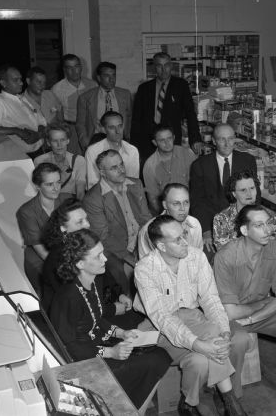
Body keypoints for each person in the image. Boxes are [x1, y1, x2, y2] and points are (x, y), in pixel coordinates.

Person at [134, 215, 248, 416]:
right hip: (159, 329)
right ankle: (232, 404)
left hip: (193, 317)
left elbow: (211, 299)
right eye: (177, 239)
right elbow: (162, 318)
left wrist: (224, 332)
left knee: (204, 353)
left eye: (184, 234)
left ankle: (189, 403)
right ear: (161, 246)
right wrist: (197, 344)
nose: (185, 241)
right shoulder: (144, 269)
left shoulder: (196, 257)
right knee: (204, 351)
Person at [49, 229, 172, 410]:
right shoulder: (68, 296)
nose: (105, 259)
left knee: (155, 351)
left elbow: (96, 318)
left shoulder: (94, 280)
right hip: (84, 362)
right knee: (158, 358)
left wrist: (122, 333)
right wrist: (111, 352)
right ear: (80, 263)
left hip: (96, 344)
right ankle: (133, 411)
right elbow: (70, 347)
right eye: (98, 256)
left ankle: (135, 410)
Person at [214, 204, 276, 403]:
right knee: (238, 340)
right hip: (229, 315)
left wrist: (253, 316)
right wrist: (262, 307)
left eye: (269, 223)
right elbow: (231, 312)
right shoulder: (225, 256)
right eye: (259, 225)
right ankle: (229, 395)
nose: (268, 230)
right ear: (244, 230)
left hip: (257, 311)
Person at [83, 149, 151, 295]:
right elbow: (103, 237)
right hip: (117, 250)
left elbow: (146, 218)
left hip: (141, 241)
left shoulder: (136, 184)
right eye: (114, 168)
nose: (121, 170)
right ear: (102, 172)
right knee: (123, 273)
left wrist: (150, 244)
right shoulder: (94, 199)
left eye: (121, 164)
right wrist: (132, 259)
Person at [190, 123, 257, 255]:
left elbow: (255, 195)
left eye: (230, 139)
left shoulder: (247, 160)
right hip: (212, 223)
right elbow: (197, 200)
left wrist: (252, 223)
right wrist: (206, 231)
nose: (227, 144)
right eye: (222, 139)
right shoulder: (200, 165)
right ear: (214, 141)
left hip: (242, 221)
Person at [130, 52, 202, 163]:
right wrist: (134, 146)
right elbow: (136, 119)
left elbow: (190, 113)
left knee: (172, 172)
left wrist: (195, 139)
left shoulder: (181, 85)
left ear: (171, 66)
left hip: (171, 140)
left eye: (166, 65)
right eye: (159, 66)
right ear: (154, 67)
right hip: (148, 141)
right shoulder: (144, 88)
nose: (163, 69)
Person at [16, 163, 64, 296]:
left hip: (64, 253)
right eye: (49, 184)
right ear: (37, 186)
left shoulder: (66, 200)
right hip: (40, 259)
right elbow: (41, 250)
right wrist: (65, 267)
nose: (56, 188)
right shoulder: (26, 211)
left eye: (58, 182)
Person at [0, 64, 46, 153]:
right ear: (3, 83)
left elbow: (41, 121)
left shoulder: (22, 98)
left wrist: (39, 134)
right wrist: (17, 131)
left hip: (38, 150)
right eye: (16, 80)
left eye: (20, 79)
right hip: (22, 155)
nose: (21, 83)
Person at [76, 61, 132, 151]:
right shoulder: (86, 97)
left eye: (114, 75)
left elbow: (129, 117)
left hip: (119, 139)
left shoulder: (125, 94)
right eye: (107, 76)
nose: (111, 79)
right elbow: (80, 123)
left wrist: (128, 137)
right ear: (99, 78)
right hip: (96, 140)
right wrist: (85, 142)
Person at [137, 183, 202, 257]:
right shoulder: (148, 231)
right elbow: (148, 265)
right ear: (165, 205)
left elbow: (198, 257)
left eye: (186, 202)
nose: (182, 208)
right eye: (176, 203)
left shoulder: (194, 224)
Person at [143, 125, 196, 214]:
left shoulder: (188, 154)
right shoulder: (150, 165)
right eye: (162, 140)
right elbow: (152, 199)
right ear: (155, 142)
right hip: (167, 211)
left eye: (169, 138)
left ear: (174, 138)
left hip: (191, 207)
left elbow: (199, 186)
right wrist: (165, 217)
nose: (167, 143)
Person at [51, 54, 96, 154]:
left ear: (81, 68)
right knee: (75, 159)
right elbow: (57, 115)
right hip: (72, 128)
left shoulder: (92, 85)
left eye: (77, 66)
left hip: (91, 128)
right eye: (69, 67)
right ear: (64, 70)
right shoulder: (57, 89)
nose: (74, 71)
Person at [85, 111, 140, 189]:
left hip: (126, 195)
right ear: (103, 129)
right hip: (102, 197)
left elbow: (133, 183)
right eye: (112, 127)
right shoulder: (93, 151)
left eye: (120, 126)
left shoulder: (132, 150)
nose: (118, 131)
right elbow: (92, 185)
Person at [34, 123, 86, 200]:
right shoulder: (39, 161)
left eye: (62, 140)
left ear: (68, 140)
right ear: (48, 142)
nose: (59, 145)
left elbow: (80, 192)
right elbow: (39, 190)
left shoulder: (79, 160)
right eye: (55, 141)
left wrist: (77, 209)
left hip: (70, 204)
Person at [213, 171, 260, 249]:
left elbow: (272, 249)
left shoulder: (264, 216)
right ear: (234, 194)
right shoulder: (221, 219)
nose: (249, 193)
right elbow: (224, 254)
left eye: (252, 188)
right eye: (243, 190)